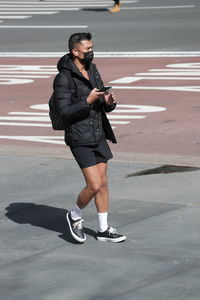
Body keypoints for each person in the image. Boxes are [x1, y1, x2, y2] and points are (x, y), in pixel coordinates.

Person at [53, 32, 126, 243]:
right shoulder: (63, 78)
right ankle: (75, 214)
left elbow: (100, 101)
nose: (91, 53)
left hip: (98, 133)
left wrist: (108, 102)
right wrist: (87, 100)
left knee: (103, 183)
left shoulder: (92, 69)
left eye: (92, 48)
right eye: (88, 50)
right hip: (79, 137)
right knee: (93, 185)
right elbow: (64, 112)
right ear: (75, 51)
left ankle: (103, 230)